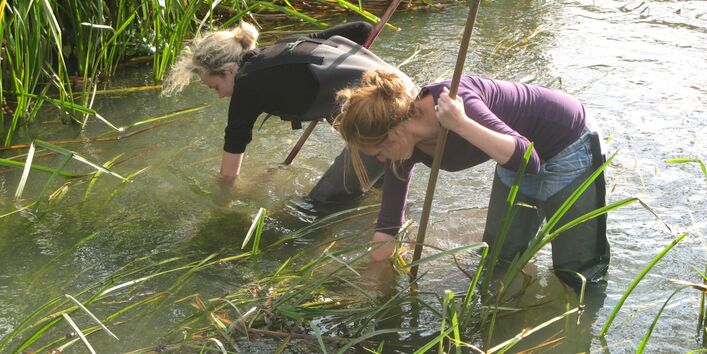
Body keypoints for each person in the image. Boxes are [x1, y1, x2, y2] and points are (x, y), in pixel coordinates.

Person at [333, 70, 610, 285]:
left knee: (577, 271)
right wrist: (372, 282)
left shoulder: (453, 99)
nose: (380, 160)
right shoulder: (402, 150)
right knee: (497, 259)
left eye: (379, 151)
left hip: (568, 142)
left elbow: (529, 159)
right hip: (508, 154)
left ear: (394, 132)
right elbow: (389, 225)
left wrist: (462, 125)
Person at [162, 21, 415, 203]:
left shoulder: (246, 87)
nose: (219, 95)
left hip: (387, 119)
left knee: (321, 203)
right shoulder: (286, 46)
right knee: (377, 193)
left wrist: (220, 203)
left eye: (215, 87)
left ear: (229, 69)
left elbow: (229, 174)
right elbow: (362, 29)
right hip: (408, 94)